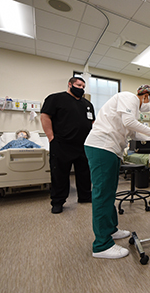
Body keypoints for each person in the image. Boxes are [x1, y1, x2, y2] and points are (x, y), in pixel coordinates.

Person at [84, 85, 150, 259]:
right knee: (102, 195)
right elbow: (129, 123)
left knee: (109, 193)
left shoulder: (132, 110)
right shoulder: (128, 97)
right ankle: (101, 245)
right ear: (146, 95)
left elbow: (134, 135)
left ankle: (110, 230)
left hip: (111, 149)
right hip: (102, 146)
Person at [41, 77, 95, 214]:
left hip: (83, 145)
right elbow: (45, 116)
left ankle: (85, 196)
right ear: (70, 84)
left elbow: (92, 122)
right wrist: (51, 137)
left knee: (84, 173)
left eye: (83, 86)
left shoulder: (87, 104)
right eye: (78, 85)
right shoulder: (56, 99)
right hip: (61, 144)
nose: (81, 88)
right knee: (60, 174)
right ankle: (58, 202)